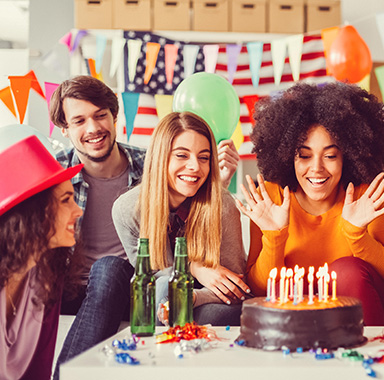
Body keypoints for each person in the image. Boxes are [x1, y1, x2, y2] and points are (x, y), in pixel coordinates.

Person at [51, 76, 240, 377]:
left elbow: (162, 264)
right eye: (79, 120)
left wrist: (216, 185)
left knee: (117, 271)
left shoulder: (149, 164)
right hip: (80, 284)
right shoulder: (53, 174)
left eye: (101, 115)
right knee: (110, 269)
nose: (93, 128)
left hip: (136, 285)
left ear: (114, 117)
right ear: (64, 129)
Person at [238, 82, 384, 326]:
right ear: (288, 156)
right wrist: (274, 236)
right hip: (302, 318)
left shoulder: (369, 194)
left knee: (346, 270)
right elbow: (260, 289)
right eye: (304, 156)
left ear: (348, 157)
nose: (316, 169)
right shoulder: (271, 196)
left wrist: (357, 234)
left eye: (330, 156)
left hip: (369, 314)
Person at [112, 112, 248, 325]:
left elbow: (235, 287)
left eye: (204, 157)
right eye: (182, 155)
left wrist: (193, 297)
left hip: (205, 302)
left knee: (220, 315)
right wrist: (193, 268)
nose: (195, 166)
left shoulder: (223, 206)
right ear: (160, 157)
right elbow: (151, 278)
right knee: (165, 287)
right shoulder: (127, 209)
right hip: (159, 299)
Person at [0, 136, 83, 380]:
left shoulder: (46, 276)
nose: (78, 210)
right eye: (66, 200)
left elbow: (39, 370)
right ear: (30, 212)